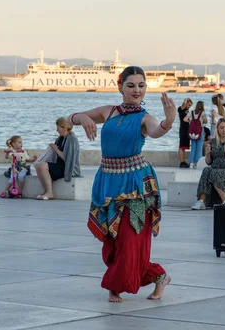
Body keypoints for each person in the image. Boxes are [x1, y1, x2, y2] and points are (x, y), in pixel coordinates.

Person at [69, 66, 175, 303]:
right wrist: (84, 117)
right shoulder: (109, 112)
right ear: (120, 87)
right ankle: (157, 276)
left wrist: (169, 120)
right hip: (108, 181)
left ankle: (119, 283)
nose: (137, 90)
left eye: (141, 85)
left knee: (130, 239)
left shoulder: (144, 118)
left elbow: (157, 132)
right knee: (112, 240)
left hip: (136, 185)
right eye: (131, 85)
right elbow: (72, 118)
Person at [192, 118, 225, 210]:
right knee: (206, 170)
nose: (224, 130)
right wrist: (207, 153)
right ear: (217, 128)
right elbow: (209, 162)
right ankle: (201, 201)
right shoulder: (212, 142)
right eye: (221, 128)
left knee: (214, 173)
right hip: (216, 170)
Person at [34, 117, 81, 200]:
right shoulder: (61, 138)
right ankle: (46, 191)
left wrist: (55, 148)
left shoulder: (72, 139)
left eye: (58, 128)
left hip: (67, 167)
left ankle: (49, 192)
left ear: (64, 127)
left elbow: (66, 157)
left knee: (42, 166)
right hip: (60, 165)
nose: (57, 130)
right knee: (38, 166)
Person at [184, 100, 208, 168]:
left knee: (193, 147)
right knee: (199, 148)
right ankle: (197, 163)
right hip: (200, 131)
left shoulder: (191, 112)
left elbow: (185, 119)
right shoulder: (203, 113)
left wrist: (190, 122)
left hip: (192, 132)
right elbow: (205, 121)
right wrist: (203, 121)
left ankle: (191, 163)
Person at [177, 98, 193, 168]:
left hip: (187, 129)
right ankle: (182, 162)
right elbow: (182, 106)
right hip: (183, 130)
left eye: (190, 105)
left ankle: (183, 161)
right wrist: (186, 100)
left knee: (184, 147)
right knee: (181, 146)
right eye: (188, 105)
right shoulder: (181, 109)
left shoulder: (187, 111)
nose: (189, 106)